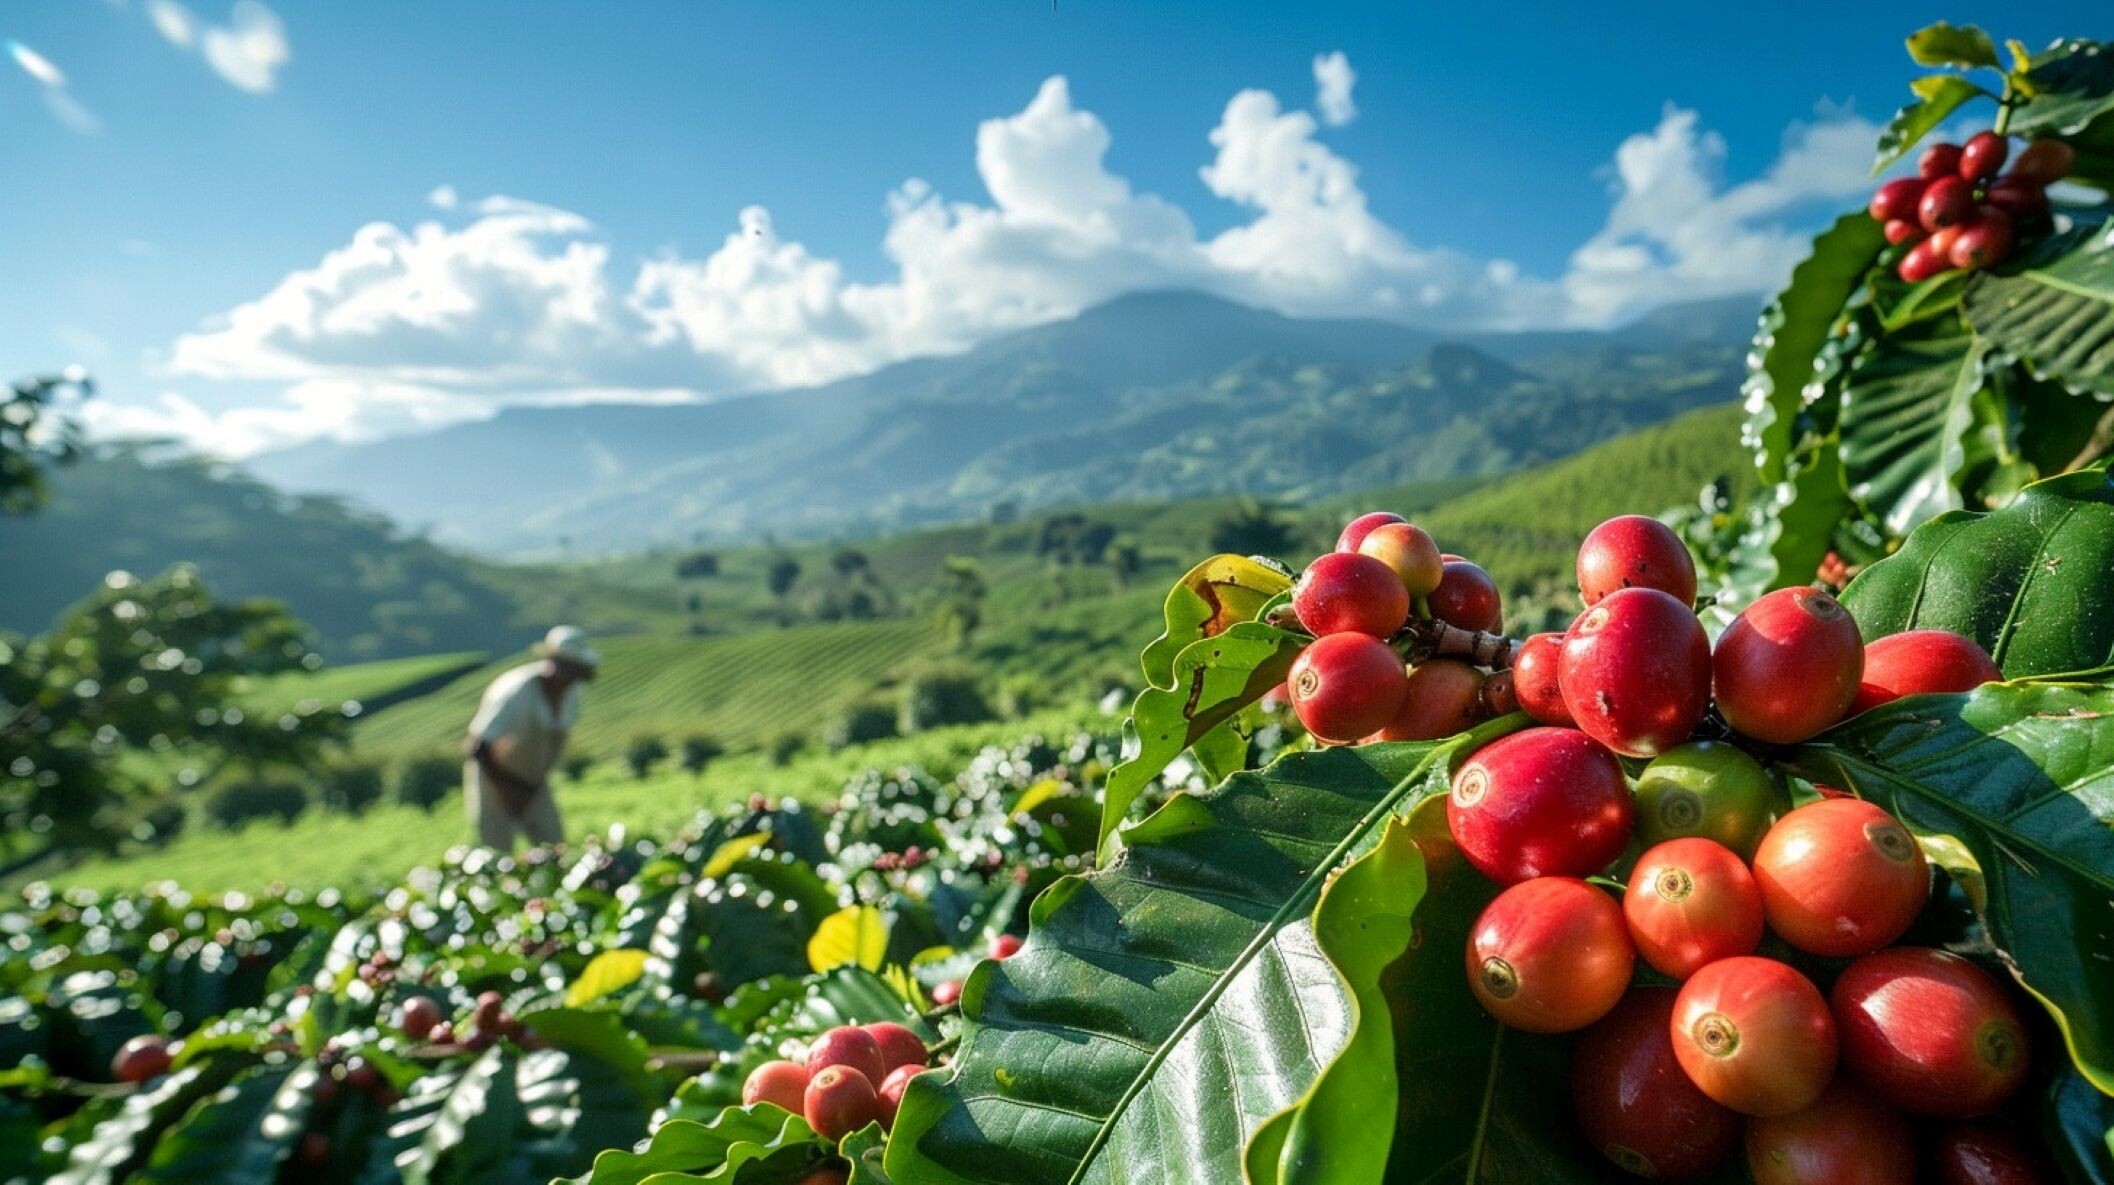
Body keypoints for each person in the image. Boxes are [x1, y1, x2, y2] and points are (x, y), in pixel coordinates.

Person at [463, 625, 598, 849]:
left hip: (534, 782)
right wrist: (509, 792)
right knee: (496, 848)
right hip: (493, 778)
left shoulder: (571, 693)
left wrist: (528, 790)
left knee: (554, 845)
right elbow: (478, 746)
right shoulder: (515, 691)